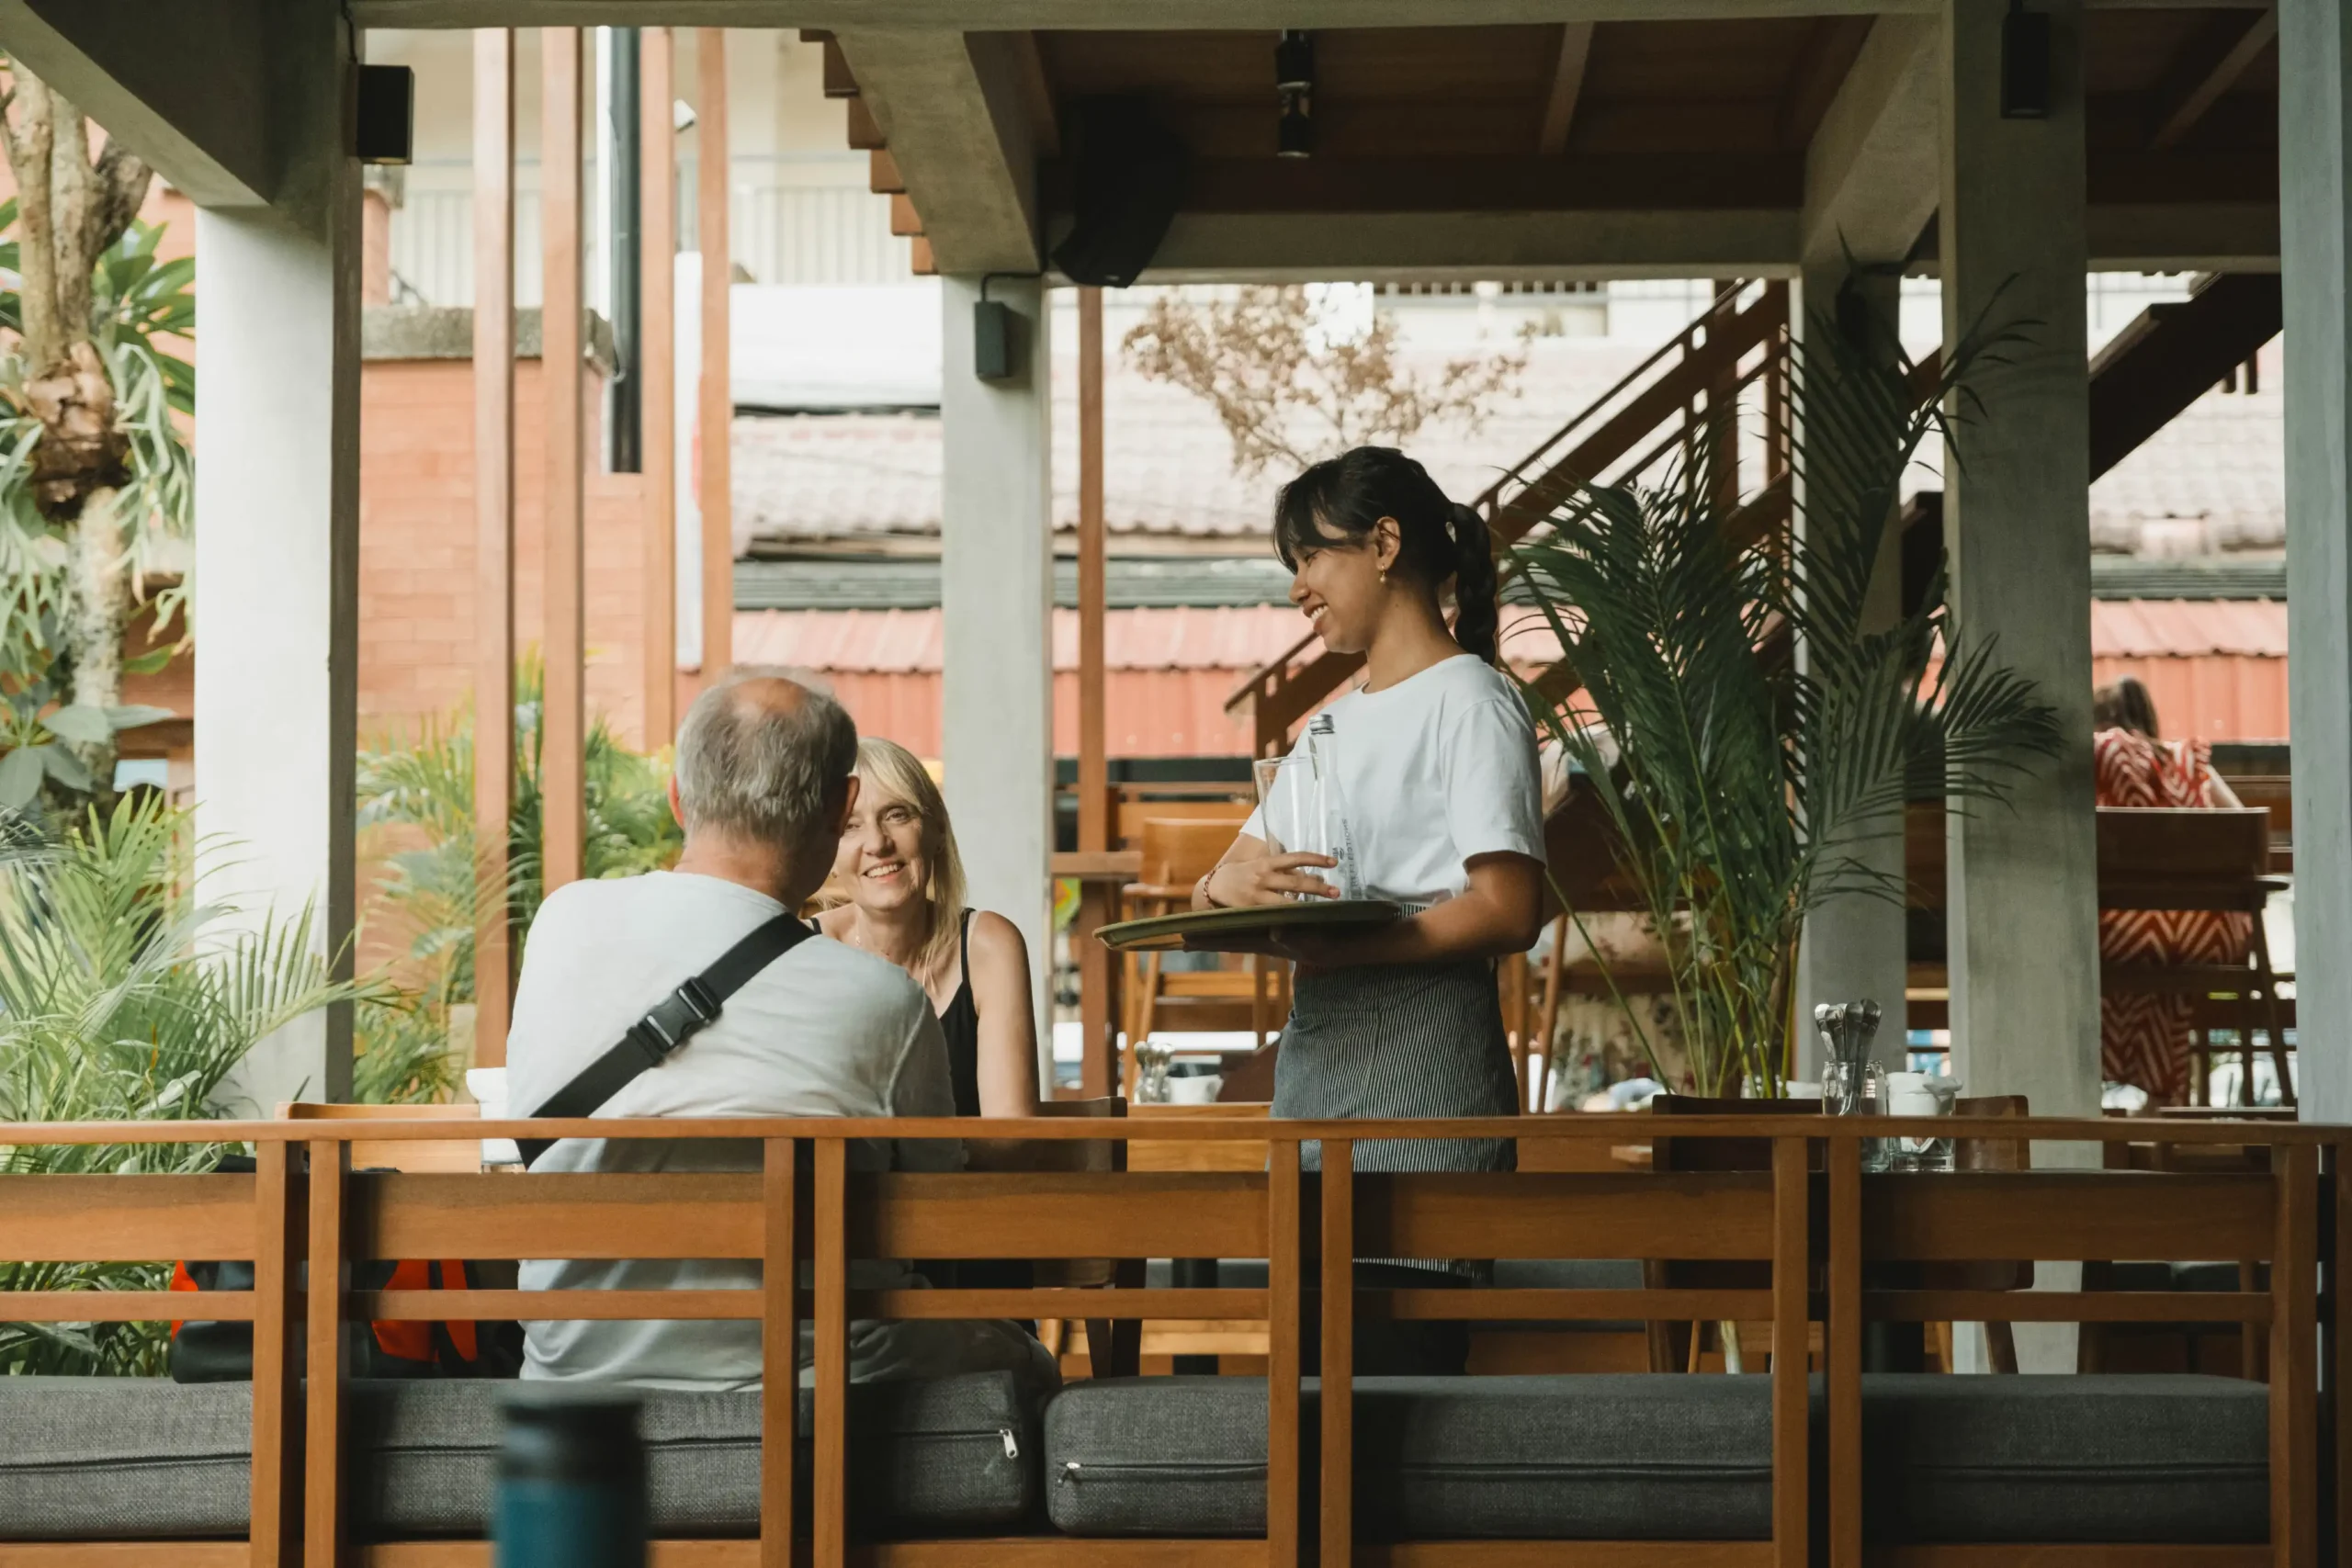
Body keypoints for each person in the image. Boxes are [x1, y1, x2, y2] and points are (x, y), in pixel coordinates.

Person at [506, 672, 1054, 1392]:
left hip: (577, 1381)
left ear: (679, 798)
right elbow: (935, 1197)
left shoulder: (560, 924)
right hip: (813, 1387)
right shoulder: (883, 1001)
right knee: (1029, 1364)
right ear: (841, 807)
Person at [1195, 446, 1546, 1373]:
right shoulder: (1331, 725)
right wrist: (1224, 888)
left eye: (1309, 558)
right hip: (1319, 1068)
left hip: (1426, 1068)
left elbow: (1510, 908)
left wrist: (1356, 949)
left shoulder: (1472, 702)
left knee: (1398, 1389)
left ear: (1384, 543)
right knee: (1311, 1384)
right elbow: (1227, 876)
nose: (1298, 589)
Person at [818, 737, 1040, 1120]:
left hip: (968, 1181)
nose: (877, 843)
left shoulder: (988, 947)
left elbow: (1012, 1141)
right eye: (850, 826)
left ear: (936, 829)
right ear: (828, 854)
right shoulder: (801, 949)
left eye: (897, 814)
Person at [2093, 676, 2251, 1104]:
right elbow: (2244, 828)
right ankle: (2161, 1101)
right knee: (2157, 968)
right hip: (2209, 936)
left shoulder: (2099, 761)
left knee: (2094, 952)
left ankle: (2109, 1088)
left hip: (2121, 935)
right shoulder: (2191, 763)